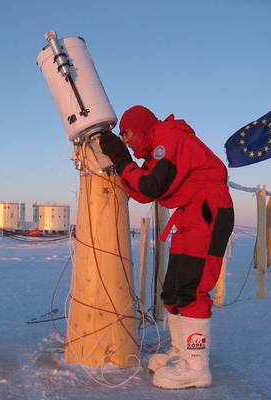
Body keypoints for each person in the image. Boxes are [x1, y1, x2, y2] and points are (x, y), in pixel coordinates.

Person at [99, 105, 234, 389]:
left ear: (142, 126)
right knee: (172, 290)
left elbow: (152, 186)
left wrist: (122, 160)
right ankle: (181, 351)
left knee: (193, 288)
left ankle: (196, 367)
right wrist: (124, 166)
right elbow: (143, 192)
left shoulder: (168, 136)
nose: (125, 141)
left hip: (208, 211)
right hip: (189, 215)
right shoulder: (153, 153)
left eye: (126, 134)